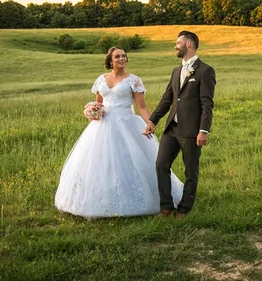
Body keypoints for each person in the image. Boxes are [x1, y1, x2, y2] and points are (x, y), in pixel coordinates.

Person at [55, 46, 183, 218]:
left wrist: (150, 122)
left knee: (131, 161)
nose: (122, 59)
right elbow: (99, 103)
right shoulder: (101, 79)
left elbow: (142, 106)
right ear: (110, 61)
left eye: (124, 56)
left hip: (127, 124)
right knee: (100, 163)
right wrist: (93, 111)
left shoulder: (134, 80)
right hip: (102, 128)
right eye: (117, 57)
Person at [144, 31, 216, 219]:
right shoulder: (176, 71)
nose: (175, 46)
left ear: (189, 45)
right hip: (172, 129)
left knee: (190, 170)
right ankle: (166, 207)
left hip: (192, 131)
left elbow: (207, 103)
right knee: (161, 164)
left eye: (178, 43)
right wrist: (153, 120)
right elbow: (167, 98)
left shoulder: (205, 71)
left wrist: (203, 130)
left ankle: (184, 209)